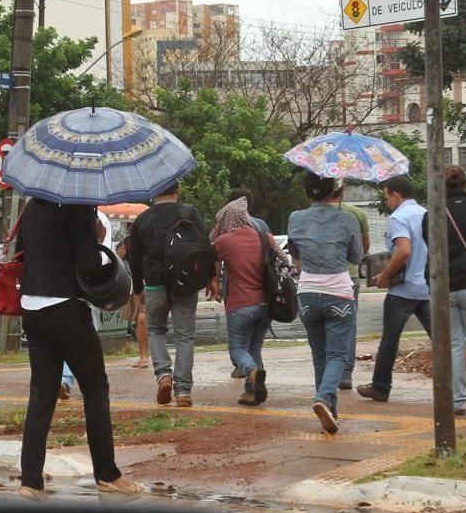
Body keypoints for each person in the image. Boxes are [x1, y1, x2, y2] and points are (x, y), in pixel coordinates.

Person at [17, 198, 143, 500]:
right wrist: (98, 241)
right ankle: (108, 474)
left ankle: (30, 481)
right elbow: (89, 265)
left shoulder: (32, 206)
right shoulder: (78, 205)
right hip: (66, 307)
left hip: (32, 306)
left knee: (42, 395)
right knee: (96, 389)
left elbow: (24, 252)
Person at [288, 173, 362, 434]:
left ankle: (331, 410)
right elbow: (356, 255)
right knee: (338, 355)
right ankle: (323, 398)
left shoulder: (295, 218)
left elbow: (295, 250)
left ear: (308, 192)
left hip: (307, 292)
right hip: (338, 292)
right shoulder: (347, 217)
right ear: (334, 190)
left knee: (320, 355)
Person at [129, 182, 211, 408]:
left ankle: (163, 374)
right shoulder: (189, 213)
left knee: (155, 330)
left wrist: (138, 290)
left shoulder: (142, 219)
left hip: (154, 285)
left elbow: (134, 258)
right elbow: (205, 247)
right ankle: (183, 391)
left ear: (154, 191)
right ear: (179, 190)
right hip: (185, 284)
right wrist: (209, 278)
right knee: (185, 335)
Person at [423, 166, 466, 415]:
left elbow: (429, 247)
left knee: (453, 343)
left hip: (444, 287)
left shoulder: (432, 215)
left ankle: (459, 401)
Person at [357, 177, 431, 403]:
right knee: (443, 339)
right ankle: (456, 386)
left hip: (403, 289)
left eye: (387, 196)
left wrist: (385, 275)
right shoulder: (426, 214)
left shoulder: (399, 217)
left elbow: (403, 250)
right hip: (427, 287)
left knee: (390, 340)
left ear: (396, 195)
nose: (387, 201)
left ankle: (380, 388)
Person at [210, 197, 274, 406]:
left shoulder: (225, 241)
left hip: (240, 305)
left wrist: (215, 282)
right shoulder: (263, 236)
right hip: (266, 304)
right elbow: (281, 260)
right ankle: (252, 392)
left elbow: (210, 252)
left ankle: (252, 371)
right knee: (254, 347)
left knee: (237, 349)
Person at [59, 210, 113, 400]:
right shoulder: (100, 220)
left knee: (62, 337)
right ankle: (69, 379)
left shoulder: (52, 213)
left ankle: (63, 378)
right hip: (86, 289)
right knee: (86, 337)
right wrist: (98, 239)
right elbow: (103, 259)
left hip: (56, 289)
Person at [331, 183, 370, 390]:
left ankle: (327, 375)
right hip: (350, 276)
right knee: (348, 324)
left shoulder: (308, 216)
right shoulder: (357, 214)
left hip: (320, 278)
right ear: (342, 191)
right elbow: (364, 248)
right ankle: (346, 373)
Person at [116, 236, 150, 369]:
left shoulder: (136, 246)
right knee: (139, 319)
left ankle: (144, 356)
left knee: (141, 319)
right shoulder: (139, 245)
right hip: (139, 286)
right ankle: (144, 355)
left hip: (142, 286)